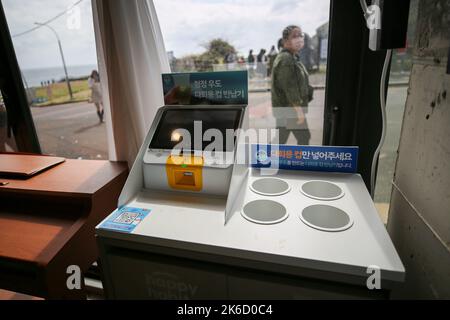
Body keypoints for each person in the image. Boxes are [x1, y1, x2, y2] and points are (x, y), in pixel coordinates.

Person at [271, 25, 313, 145]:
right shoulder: (286, 59)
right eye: (294, 36)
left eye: (301, 35)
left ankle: (263, 160)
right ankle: (300, 163)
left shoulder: (292, 57)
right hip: (290, 109)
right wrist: (299, 111)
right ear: (285, 41)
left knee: (280, 140)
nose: (299, 39)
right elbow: (290, 87)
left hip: (287, 109)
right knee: (304, 137)